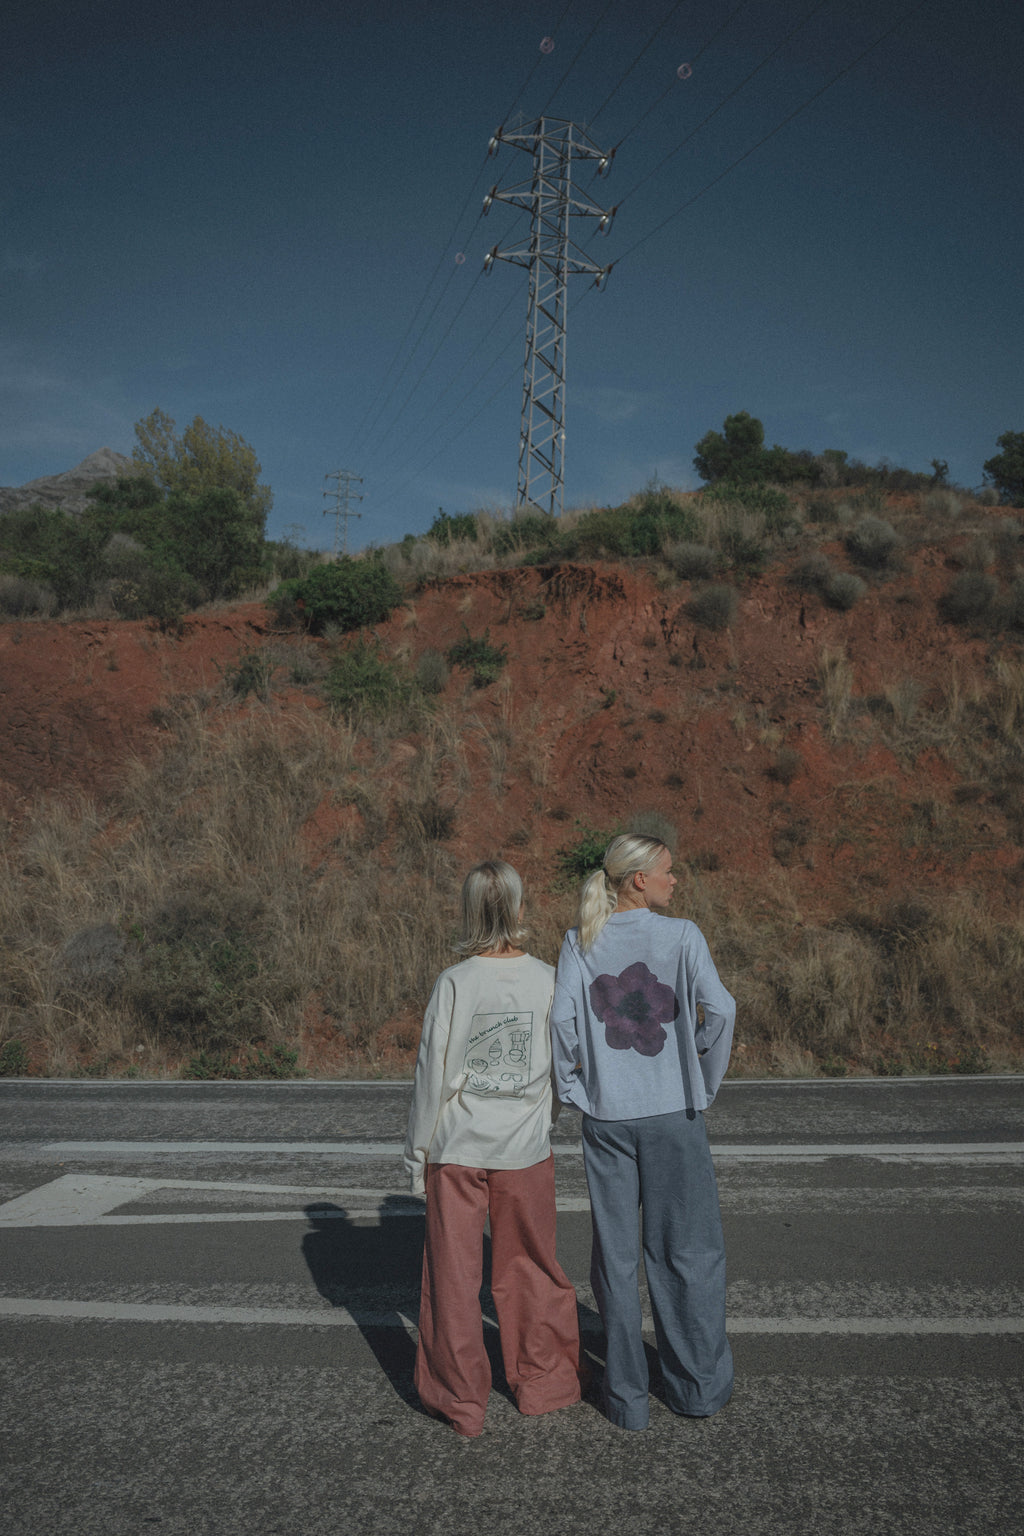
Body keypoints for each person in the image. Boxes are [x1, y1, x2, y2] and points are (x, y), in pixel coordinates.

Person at [550, 833, 735, 1431]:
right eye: (667, 873)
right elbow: (721, 1012)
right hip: (672, 1116)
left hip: (607, 1119)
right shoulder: (682, 936)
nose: (674, 881)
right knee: (688, 1253)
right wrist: (701, 1080)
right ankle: (697, 1390)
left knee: (617, 1257)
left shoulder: (579, 942)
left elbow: (563, 1026)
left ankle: (626, 1399)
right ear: (638, 880)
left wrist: (577, 1089)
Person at [404, 859, 586, 1438]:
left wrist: (417, 1155)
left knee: (454, 1278)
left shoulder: (455, 982)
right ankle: (546, 1384)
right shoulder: (551, 977)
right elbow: (564, 1064)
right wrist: (544, 1120)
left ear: (468, 912)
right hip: (525, 1149)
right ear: (520, 909)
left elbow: (431, 1076)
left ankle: (462, 1403)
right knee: (532, 1269)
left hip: (456, 1149)